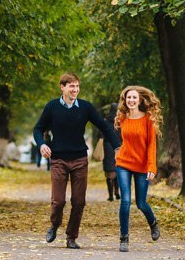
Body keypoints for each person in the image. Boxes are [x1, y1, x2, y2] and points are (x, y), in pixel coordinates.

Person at [33, 72, 120, 249]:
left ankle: (71, 237)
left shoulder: (86, 107)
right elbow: (38, 128)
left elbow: (105, 127)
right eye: (72, 86)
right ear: (62, 87)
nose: (75, 90)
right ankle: (55, 224)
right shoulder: (52, 107)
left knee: (79, 202)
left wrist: (117, 147)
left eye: (77, 86)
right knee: (58, 201)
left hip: (80, 158)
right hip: (58, 159)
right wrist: (42, 144)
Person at [113, 85, 162, 252]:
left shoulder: (148, 119)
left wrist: (151, 167)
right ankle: (124, 238)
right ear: (125, 101)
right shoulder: (122, 117)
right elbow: (121, 139)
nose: (131, 100)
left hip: (142, 165)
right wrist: (117, 151)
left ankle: (153, 223)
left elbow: (151, 145)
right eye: (128, 98)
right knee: (125, 200)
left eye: (134, 97)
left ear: (139, 99)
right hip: (124, 164)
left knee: (141, 203)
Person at [99, 102, 120, 200]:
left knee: (109, 171)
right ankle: (117, 192)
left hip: (107, 147)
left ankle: (110, 195)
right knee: (117, 169)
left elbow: (100, 134)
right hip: (119, 147)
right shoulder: (120, 120)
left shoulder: (105, 121)